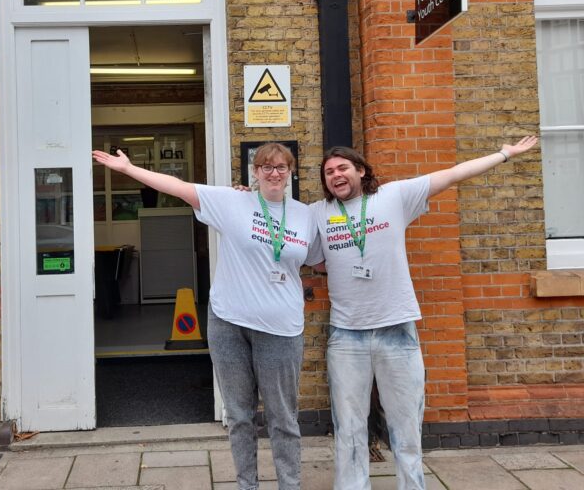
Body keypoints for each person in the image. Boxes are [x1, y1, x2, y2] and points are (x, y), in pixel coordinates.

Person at [312, 136, 538, 490]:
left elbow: (452, 175)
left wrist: (504, 154)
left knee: (406, 428)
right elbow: (284, 227)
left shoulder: (394, 196)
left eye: (342, 168)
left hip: (397, 330)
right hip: (347, 335)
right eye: (328, 172)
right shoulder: (317, 213)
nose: (336, 175)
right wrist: (246, 194)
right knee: (349, 428)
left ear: (360, 170)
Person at [93, 142, 323, 490]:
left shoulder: (306, 215)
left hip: (281, 328)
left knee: (283, 418)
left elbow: (324, 261)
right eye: (266, 167)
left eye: (281, 167)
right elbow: (176, 187)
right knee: (239, 417)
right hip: (229, 324)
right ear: (255, 172)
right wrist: (128, 170)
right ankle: (248, 484)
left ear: (290, 172)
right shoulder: (232, 202)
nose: (274, 173)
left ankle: (289, 484)